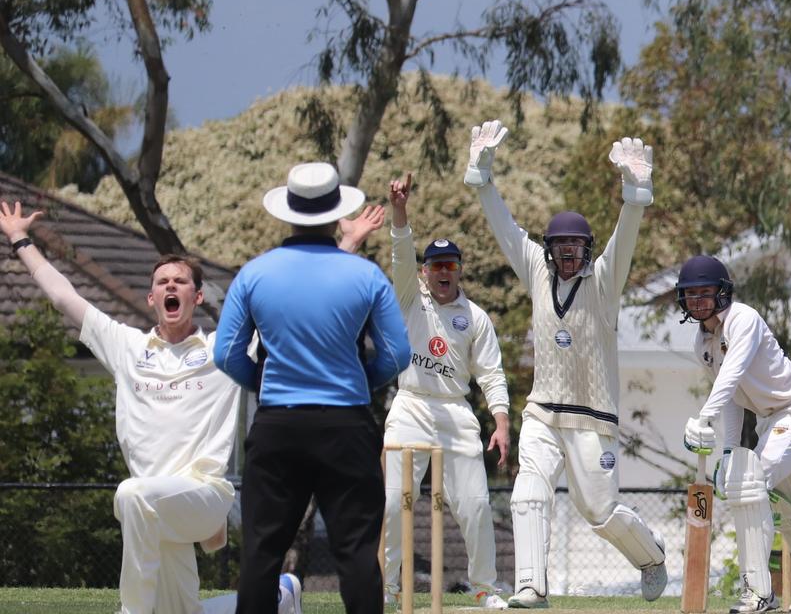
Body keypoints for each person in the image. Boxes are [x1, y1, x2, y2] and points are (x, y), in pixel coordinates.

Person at [0, 201, 303, 614]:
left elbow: (292, 306)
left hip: (204, 495)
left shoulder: (222, 348)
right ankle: (281, 597)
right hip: (153, 513)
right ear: (151, 297)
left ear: (197, 296)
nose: (171, 286)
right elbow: (62, 296)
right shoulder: (127, 346)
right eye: (162, 282)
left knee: (129, 493)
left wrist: (344, 243)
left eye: (180, 281)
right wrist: (20, 238)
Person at [465, 120, 667, 608]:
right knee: (527, 493)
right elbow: (505, 230)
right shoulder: (536, 269)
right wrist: (483, 178)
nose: (567, 253)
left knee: (598, 511)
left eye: (575, 246)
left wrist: (635, 194)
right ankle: (532, 585)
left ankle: (651, 556)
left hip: (592, 419)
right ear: (551, 251)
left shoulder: (603, 283)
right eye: (560, 247)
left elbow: (626, 238)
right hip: (542, 414)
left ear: (587, 249)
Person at [212, 162, 411, 614]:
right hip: (347, 425)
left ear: (289, 212)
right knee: (358, 555)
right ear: (335, 214)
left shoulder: (255, 274)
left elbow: (226, 353)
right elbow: (397, 354)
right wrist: (361, 383)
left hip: (278, 425)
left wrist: (264, 387)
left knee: (261, 554)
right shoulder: (365, 276)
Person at [340, 172, 512, 608]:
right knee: (395, 503)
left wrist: (502, 423)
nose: (442, 273)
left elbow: (491, 373)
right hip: (411, 405)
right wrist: (399, 209)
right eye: (435, 266)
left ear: (458, 271)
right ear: (424, 272)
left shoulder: (474, 317)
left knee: (473, 505)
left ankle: (484, 586)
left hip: (456, 412)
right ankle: (390, 584)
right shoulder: (408, 298)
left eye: (449, 266)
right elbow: (400, 252)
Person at [677, 255, 791, 614]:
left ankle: (758, 593)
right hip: (773, 423)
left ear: (722, 292)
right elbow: (734, 399)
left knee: (749, 485)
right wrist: (726, 452)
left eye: (705, 292)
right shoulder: (702, 344)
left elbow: (732, 375)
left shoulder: (743, 319)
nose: (698, 301)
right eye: (691, 295)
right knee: (787, 509)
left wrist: (703, 418)